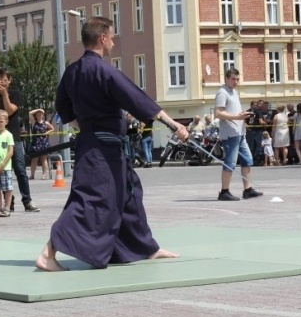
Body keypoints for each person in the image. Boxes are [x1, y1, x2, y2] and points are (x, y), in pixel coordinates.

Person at [35, 16, 189, 271]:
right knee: (90, 200)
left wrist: (81, 126)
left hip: (96, 145)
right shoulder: (105, 70)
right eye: (112, 36)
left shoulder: (72, 71)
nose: (114, 41)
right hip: (102, 152)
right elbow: (136, 99)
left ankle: (146, 248)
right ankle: (47, 253)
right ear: (102, 38)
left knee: (129, 193)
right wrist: (175, 125)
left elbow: (62, 106)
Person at [0, 67, 40, 212]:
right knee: (2, 170)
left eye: (5, 80)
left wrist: (4, 94)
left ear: (9, 81)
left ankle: (27, 201)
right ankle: (8, 202)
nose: (2, 83)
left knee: (20, 170)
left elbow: (10, 110)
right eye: (0, 80)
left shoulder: (15, 94)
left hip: (14, 137)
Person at [214, 68, 263, 201]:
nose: (235, 81)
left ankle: (247, 190)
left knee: (247, 159)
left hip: (239, 132)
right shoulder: (222, 93)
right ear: (226, 79)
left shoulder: (234, 92)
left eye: (237, 79)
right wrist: (237, 116)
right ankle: (224, 192)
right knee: (230, 162)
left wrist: (243, 114)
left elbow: (235, 111)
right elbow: (218, 113)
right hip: (230, 134)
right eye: (233, 79)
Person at [28, 108, 54, 179]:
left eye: (40, 114)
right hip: (36, 143)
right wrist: (38, 109)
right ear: (36, 115)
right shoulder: (34, 122)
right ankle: (32, 175)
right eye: (37, 114)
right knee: (34, 159)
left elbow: (52, 129)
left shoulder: (46, 123)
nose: (39, 115)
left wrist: (46, 133)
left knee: (44, 159)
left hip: (44, 142)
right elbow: (30, 113)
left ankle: (44, 175)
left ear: (43, 115)